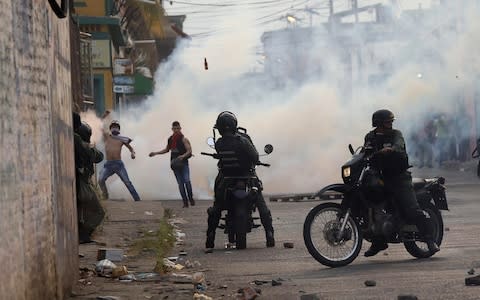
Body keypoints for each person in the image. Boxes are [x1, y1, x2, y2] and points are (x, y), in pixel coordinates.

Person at [363, 109, 440, 257]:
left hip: (399, 178)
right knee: (373, 205)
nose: (391, 123)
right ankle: (378, 241)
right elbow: (364, 152)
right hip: (380, 177)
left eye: (391, 121)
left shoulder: (396, 134)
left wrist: (391, 149)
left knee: (411, 209)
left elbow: (399, 145)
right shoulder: (370, 137)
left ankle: (430, 239)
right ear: (378, 123)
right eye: (387, 121)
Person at [205, 111, 275, 249]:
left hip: (227, 179)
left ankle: (210, 235)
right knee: (261, 204)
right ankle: (269, 234)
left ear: (219, 127)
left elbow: (220, 157)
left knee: (217, 206)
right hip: (247, 177)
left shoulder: (219, 143)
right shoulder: (243, 140)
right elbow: (255, 157)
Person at [73, 113, 105, 243]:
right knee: (98, 212)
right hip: (81, 183)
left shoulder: (73, 138)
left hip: (79, 182)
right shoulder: (76, 139)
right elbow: (97, 156)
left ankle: (82, 235)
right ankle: (83, 236)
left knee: (82, 213)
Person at [149, 121, 195, 208]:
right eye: (175, 128)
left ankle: (190, 198)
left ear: (180, 128)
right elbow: (166, 150)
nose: (176, 130)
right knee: (180, 184)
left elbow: (189, 151)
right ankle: (185, 203)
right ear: (172, 129)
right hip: (174, 164)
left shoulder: (184, 139)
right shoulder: (170, 139)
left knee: (187, 181)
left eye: (178, 128)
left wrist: (183, 156)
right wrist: (155, 153)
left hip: (184, 163)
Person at [98, 116, 141, 201]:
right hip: (108, 165)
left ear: (119, 129)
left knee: (127, 182)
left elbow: (131, 149)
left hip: (118, 164)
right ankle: (105, 195)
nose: (115, 128)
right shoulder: (107, 137)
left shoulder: (122, 139)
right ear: (110, 128)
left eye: (116, 127)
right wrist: (104, 116)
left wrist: (132, 154)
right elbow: (100, 126)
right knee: (100, 180)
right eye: (113, 127)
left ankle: (137, 200)